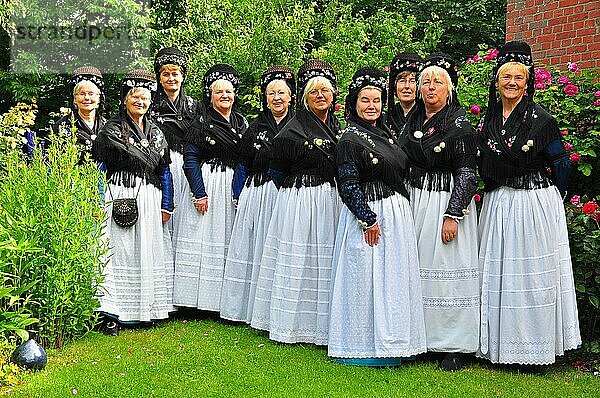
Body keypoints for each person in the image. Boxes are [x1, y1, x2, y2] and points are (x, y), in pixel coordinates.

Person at [477, 41, 581, 365]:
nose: (511, 83)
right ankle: (499, 348)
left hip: (533, 204)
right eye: (506, 76)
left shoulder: (542, 120)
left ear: (527, 82)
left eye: (518, 78)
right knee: (500, 275)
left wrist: (554, 200)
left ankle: (533, 352)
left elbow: (562, 163)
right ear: (496, 81)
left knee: (533, 276)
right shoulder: (490, 121)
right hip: (500, 204)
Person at [328, 67, 427, 366]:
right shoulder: (349, 139)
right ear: (353, 104)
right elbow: (346, 183)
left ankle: (394, 342)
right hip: (370, 216)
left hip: (396, 214)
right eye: (365, 100)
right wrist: (366, 218)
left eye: (376, 100)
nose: (371, 106)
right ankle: (362, 347)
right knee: (365, 279)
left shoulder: (387, 135)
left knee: (392, 280)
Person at [251, 59, 341, 345]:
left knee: (323, 259)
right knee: (298, 258)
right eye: (314, 92)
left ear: (333, 95)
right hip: (299, 199)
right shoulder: (293, 128)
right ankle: (291, 323)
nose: (320, 96)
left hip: (330, 198)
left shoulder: (341, 129)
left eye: (325, 91)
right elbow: (276, 170)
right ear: (304, 97)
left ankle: (323, 324)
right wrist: (298, 192)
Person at [401, 54, 479, 370]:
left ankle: (454, 346)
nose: (431, 88)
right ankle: (424, 340)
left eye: (438, 82)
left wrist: (453, 213)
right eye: (426, 83)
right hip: (417, 201)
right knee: (418, 271)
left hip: (446, 204)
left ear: (450, 89)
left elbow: (467, 173)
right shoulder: (412, 123)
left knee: (448, 274)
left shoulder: (460, 126)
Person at [93, 70, 174, 335]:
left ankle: (147, 309)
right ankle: (114, 312)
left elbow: (164, 170)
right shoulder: (111, 130)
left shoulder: (158, 133)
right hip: (121, 192)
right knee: (121, 251)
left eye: (145, 97)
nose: (140, 101)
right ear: (125, 99)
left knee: (147, 250)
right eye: (135, 97)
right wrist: (97, 200)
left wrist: (167, 203)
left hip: (151, 196)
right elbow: (99, 167)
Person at [220, 65, 295, 322]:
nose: (277, 98)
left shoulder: (297, 126)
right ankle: (249, 308)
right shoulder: (254, 127)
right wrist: (237, 193)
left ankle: (277, 307)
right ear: (265, 98)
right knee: (254, 247)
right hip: (258, 192)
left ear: (291, 97)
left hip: (285, 193)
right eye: (271, 93)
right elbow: (243, 163)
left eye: (281, 93)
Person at [173, 64, 248, 312]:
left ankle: (220, 301)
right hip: (209, 181)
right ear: (211, 96)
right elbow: (190, 159)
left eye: (228, 92)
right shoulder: (201, 123)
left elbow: (246, 158)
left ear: (234, 94)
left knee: (226, 236)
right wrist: (199, 192)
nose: (225, 96)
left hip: (231, 183)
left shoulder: (242, 123)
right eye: (219, 92)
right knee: (201, 237)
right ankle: (194, 301)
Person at [151, 47, 203, 257]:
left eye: (175, 73)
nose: (171, 78)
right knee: (162, 219)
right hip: (160, 166)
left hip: (187, 167)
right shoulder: (150, 106)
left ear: (183, 76)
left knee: (186, 223)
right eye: (166, 74)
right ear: (159, 77)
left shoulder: (195, 106)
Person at [50, 66, 106, 163]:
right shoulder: (62, 127)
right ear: (74, 99)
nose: (87, 98)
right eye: (82, 94)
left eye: (91, 93)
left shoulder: (108, 127)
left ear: (99, 99)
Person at [386, 53, 423, 138]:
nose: (407, 86)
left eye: (412, 81)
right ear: (394, 85)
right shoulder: (386, 118)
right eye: (402, 81)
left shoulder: (425, 117)